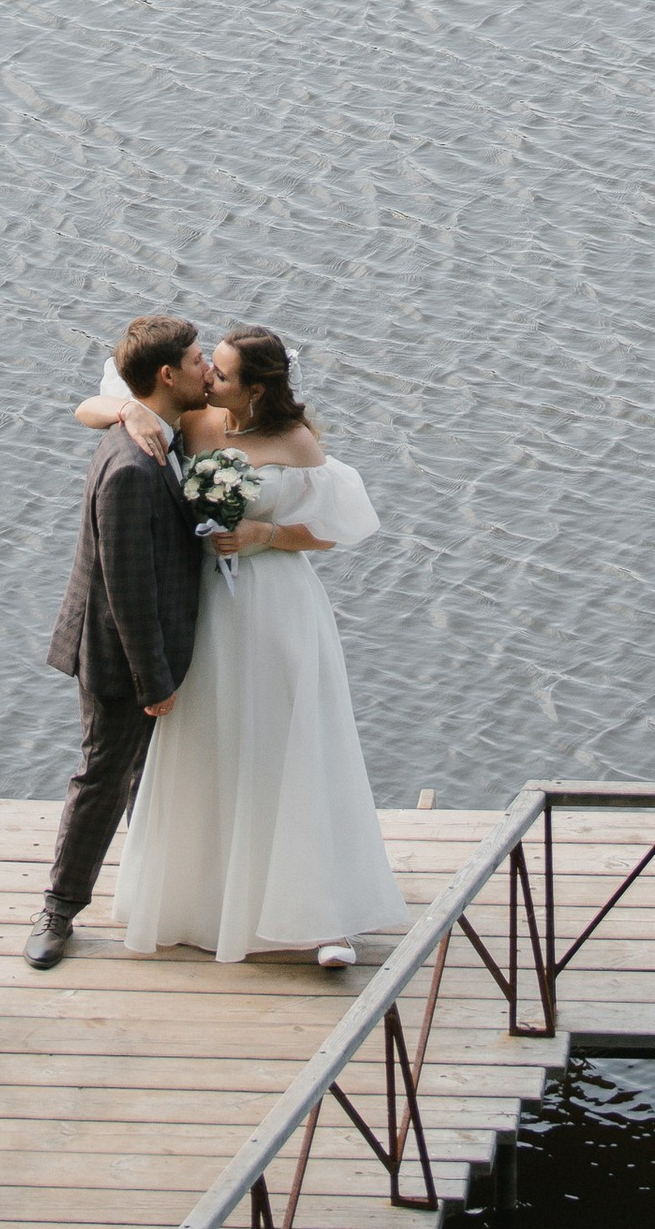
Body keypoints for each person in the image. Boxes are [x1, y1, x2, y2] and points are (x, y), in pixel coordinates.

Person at [75, 325, 407, 969]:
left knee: (288, 744)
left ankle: (321, 914)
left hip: (277, 606)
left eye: (221, 374)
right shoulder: (194, 422)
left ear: (254, 390)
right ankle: (204, 902)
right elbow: (87, 406)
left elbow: (331, 530)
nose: (207, 377)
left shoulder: (296, 441)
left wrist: (265, 536)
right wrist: (126, 412)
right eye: (208, 366)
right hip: (207, 608)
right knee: (211, 741)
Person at [27, 313, 215, 972]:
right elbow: (126, 587)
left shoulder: (156, 426)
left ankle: (160, 892)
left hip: (153, 645)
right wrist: (152, 681)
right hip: (118, 654)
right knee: (103, 776)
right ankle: (57, 910)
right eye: (197, 361)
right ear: (166, 375)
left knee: (144, 776)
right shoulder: (133, 467)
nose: (206, 369)